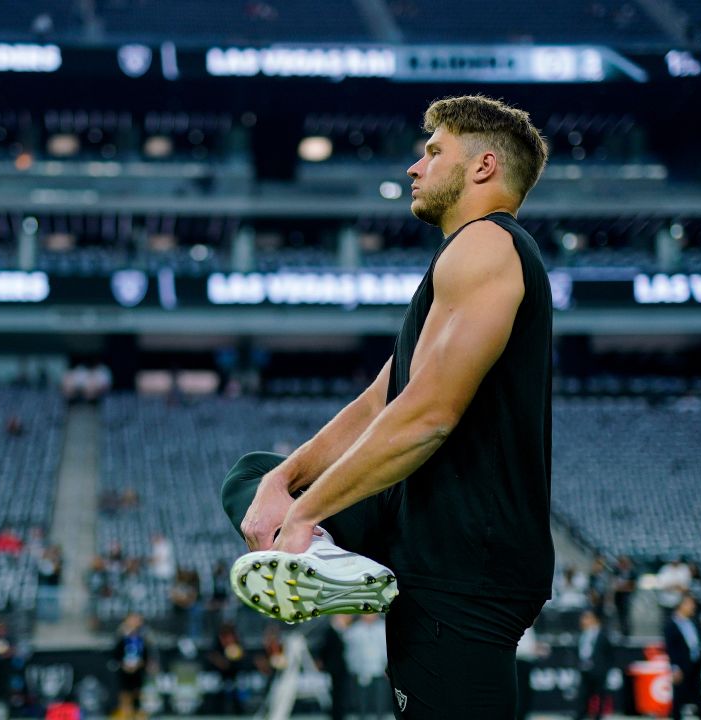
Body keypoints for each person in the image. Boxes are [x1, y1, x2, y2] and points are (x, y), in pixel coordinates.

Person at [221, 94, 553, 719]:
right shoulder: (462, 258)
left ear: (483, 167)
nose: (414, 167)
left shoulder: (486, 247)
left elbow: (428, 417)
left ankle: (322, 551)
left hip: (466, 561)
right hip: (432, 535)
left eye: (433, 152)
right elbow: (382, 400)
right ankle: (329, 557)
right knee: (250, 476)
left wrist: (306, 515)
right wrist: (284, 483)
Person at [664, 593, 701, 720]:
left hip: (696, 666)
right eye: (690, 604)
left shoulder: (695, 622)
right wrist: (675, 668)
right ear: (681, 605)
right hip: (681, 668)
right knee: (679, 700)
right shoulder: (671, 625)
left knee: (700, 699)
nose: (693, 607)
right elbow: (671, 648)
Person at [343, 613, 390, 719]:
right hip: (361, 671)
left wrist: (388, 668)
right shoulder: (354, 630)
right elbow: (350, 651)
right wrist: (353, 668)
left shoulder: (383, 627)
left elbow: (387, 650)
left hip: (380, 670)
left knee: (380, 700)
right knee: (361, 700)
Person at [572, 610, 614, 719]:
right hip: (584, 670)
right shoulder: (582, 635)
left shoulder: (602, 635)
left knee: (599, 695)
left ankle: (598, 716)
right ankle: (581, 715)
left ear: (594, 619)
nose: (583, 621)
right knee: (583, 695)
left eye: (586, 618)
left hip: (598, 671)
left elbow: (609, 654)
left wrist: (604, 669)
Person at [112, 612, 149, 720]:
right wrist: (123, 665)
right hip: (124, 670)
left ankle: (137, 713)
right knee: (125, 693)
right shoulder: (121, 635)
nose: (135, 622)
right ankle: (125, 714)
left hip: (138, 669)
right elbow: (116, 653)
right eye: (132, 619)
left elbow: (146, 653)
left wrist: (141, 663)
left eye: (137, 619)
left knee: (137, 692)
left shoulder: (143, 635)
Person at [612, 555, 638, 638]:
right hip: (618, 597)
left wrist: (622, 587)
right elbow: (614, 584)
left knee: (626, 615)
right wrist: (624, 586)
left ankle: (627, 632)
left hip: (627, 597)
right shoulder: (616, 571)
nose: (623, 564)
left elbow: (632, 586)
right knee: (618, 615)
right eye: (621, 562)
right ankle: (620, 632)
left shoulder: (632, 571)